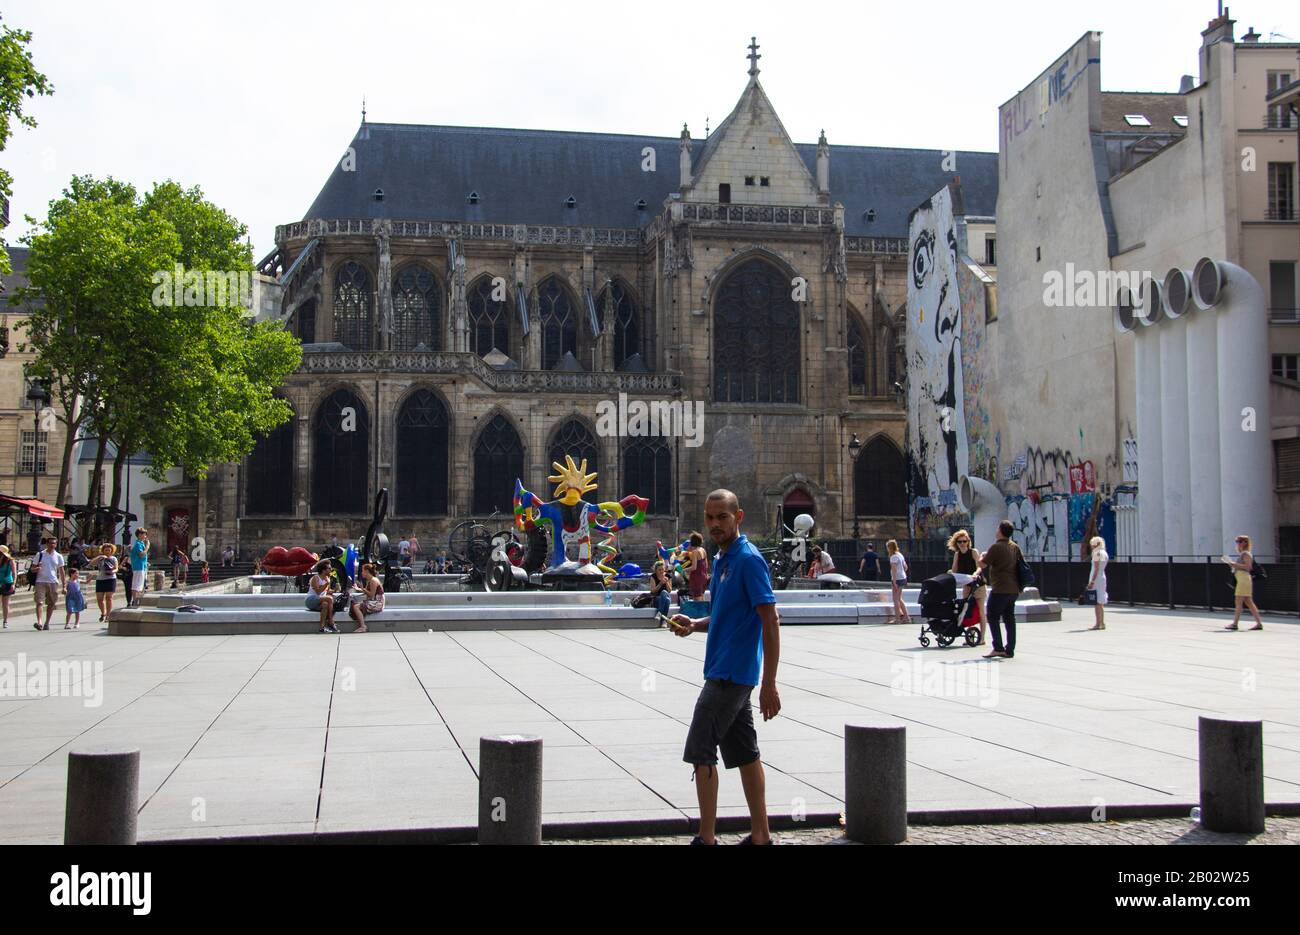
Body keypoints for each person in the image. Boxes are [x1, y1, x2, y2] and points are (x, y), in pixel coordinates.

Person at [670, 489, 781, 846]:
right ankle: (761, 837)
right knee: (746, 753)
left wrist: (770, 684)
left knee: (701, 748)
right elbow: (724, 615)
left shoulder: (748, 560)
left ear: (739, 516)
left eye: (723, 517)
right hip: (723, 668)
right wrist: (695, 624)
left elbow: (770, 619)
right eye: (710, 518)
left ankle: (706, 838)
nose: (716, 524)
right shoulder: (722, 558)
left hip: (731, 675)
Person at [979, 520, 1025, 659]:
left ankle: (998, 647)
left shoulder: (996, 547)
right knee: (1009, 618)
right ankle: (1009, 649)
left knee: (992, 616)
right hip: (1014, 589)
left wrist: (982, 556)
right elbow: (1021, 565)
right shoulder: (1014, 547)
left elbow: (982, 564)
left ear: (1000, 531)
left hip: (1000, 588)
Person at [948, 530, 986, 646]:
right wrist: (949, 573)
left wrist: (975, 574)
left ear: (968, 542)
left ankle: (982, 638)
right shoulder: (957, 554)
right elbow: (954, 569)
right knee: (966, 609)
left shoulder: (973, 552)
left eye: (965, 541)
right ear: (956, 543)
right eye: (960, 542)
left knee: (980, 610)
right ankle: (971, 634)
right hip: (967, 585)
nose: (962, 544)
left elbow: (979, 567)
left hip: (978, 584)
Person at [1223, 534, 1264, 631]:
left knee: (1239, 601)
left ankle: (1235, 624)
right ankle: (1258, 623)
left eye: (1239, 541)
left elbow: (1248, 567)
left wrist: (1233, 564)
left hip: (1243, 579)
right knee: (1248, 602)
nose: (1238, 543)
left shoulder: (1246, 554)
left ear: (1245, 542)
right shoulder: (1244, 554)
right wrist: (1232, 565)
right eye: (1237, 541)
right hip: (1243, 578)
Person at [32, 536, 67, 631]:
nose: (52, 545)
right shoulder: (40, 554)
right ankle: (39, 622)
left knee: (51, 603)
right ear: (47, 544)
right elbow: (32, 569)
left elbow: (62, 571)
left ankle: (47, 622)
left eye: (54, 543)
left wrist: (64, 586)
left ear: (56, 544)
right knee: (39, 602)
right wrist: (36, 569)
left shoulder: (59, 556)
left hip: (53, 582)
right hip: (40, 581)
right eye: (50, 543)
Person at [349, 563, 385, 633]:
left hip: (377, 603)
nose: (361, 573)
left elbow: (371, 595)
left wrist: (363, 589)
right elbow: (367, 592)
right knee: (354, 604)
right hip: (374, 601)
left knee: (356, 607)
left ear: (367, 572)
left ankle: (363, 626)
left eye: (362, 571)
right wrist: (358, 589)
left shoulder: (373, 581)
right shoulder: (370, 580)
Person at [306, 559, 338, 633]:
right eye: (329, 568)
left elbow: (327, 592)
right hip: (311, 600)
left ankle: (322, 627)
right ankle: (331, 621)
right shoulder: (316, 578)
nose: (331, 570)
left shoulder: (327, 578)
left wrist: (335, 590)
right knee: (329, 599)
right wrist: (327, 584)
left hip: (320, 601)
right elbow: (318, 592)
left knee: (325, 604)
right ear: (323, 570)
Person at [94, 543, 120, 624]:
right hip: (100, 579)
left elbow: (116, 568)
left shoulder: (113, 558)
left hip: (110, 579)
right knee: (99, 599)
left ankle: (108, 615)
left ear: (112, 551)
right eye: (106, 550)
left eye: (109, 550)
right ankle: (103, 613)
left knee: (109, 598)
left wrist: (112, 571)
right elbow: (92, 563)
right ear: (103, 551)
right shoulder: (101, 558)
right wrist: (99, 557)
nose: (107, 551)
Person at [1086, 535, 1109, 631]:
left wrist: (1092, 582)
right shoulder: (1104, 553)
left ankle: (1097, 624)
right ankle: (1102, 622)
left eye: (1093, 544)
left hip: (1097, 578)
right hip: (1102, 577)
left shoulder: (1096, 553)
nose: (1092, 546)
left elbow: (1096, 569)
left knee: (1096, 602)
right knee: (1101, 601)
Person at [885, 540, 910, 624]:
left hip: (897, 579)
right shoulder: (900, 555)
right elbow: (905, 567)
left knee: (895, 599)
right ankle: (906, 617)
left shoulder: (893, 557)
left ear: (889, 548)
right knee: (899, 598)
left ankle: (897, 619)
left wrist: (894, 581)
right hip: (903, 577)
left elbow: (894, 569)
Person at [128, 528, 150, 608]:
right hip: (138, 567)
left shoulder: (141, 543)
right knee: (136, 585)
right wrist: (147, 546)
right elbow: (141, 554)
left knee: (140, 585)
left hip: (142, 566)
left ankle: (137, 600)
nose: (145, 536)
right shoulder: (138, 544)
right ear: (140, 535)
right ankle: (135, 601)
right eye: (144, 534)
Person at [0, 545, 15, 628]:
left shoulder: (10, 561)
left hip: (7, 583)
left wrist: (13, 583)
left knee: (5, 604)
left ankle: (5, 621)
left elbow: (14, 573)